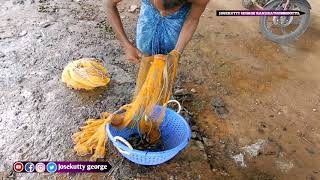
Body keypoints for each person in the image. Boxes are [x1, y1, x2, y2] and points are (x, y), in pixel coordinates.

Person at [104, 0, 209, 63]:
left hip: (178, 15)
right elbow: (109, 4)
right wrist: (126, 45)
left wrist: (177, 52)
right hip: (151, 5)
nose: (162, 14)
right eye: (160, 9)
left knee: (169, 53)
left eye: (168, 11)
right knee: (144, 47)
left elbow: (192, 19)